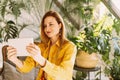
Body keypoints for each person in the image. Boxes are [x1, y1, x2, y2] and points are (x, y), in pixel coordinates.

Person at [7, 10, 77, 80]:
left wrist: (40, 59)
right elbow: (26, 67)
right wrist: (14, 59)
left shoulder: (70, 47)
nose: (47, 28)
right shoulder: (42, 46)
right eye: (44, 26)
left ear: (60, 25)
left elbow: (64, 75)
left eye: (51, 24)